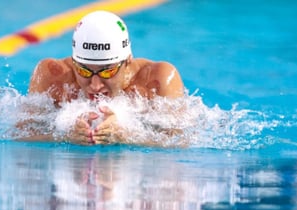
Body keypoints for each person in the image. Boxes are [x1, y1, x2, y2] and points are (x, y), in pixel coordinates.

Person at [17, 10, 184, 145]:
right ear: (74, 62)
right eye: (84, 71)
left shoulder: (158, 80)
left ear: (127, 61)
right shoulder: (52, 77)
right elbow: (19, 135)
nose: (95, 86)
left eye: (107, 72)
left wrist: (127, 136)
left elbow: (182, 141)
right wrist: (63, 134)